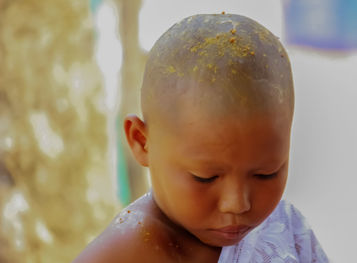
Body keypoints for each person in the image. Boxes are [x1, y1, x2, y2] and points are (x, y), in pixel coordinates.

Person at [73, 13, 329, 263]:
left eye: (266, 173)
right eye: (205, 177)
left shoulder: (283, 229)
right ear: (142, 142)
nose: (237, 204)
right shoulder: (126, 252)